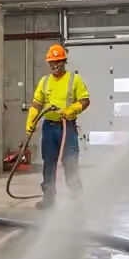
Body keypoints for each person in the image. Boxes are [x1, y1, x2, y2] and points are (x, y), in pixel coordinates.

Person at [26, 44, 90, 209]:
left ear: (64, 61)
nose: (55, 66)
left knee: (70, 163)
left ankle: (77, 199)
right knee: (49, 163)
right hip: (49, 127)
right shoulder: (45, 81)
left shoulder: (73, 80)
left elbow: (85, 100)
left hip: (67, 127)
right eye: (52, 62)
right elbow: (37, 103)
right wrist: (31, 118)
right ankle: (48, 198)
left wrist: (72, 109)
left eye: (58, 62)